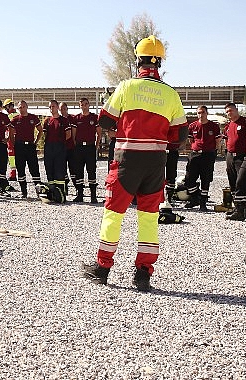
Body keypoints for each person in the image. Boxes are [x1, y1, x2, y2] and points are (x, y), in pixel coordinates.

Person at [82, 35, 186, 290]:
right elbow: (180, 135)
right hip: (155, 162)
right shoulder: (170, 94)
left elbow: (105, 120)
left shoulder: (127, 86)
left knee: (113, 213)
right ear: (159, 62)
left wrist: (126, 126)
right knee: (149, 218)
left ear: (138, 60)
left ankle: (103, 267)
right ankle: (143, 274)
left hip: (127, 159)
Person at [182, 105, 221, 211]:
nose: (201, 114)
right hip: (195, 155)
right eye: (199, 112)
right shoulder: (192, 126)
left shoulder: (214, 126)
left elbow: (217, 142)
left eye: (203, 112)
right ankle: (195, 198)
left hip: (208, 155)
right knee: (189, 179)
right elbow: (191, 141)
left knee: (206, 179)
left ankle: (203, 203)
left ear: (207, 113)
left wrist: (213, 153)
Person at [9, 100, 42, 198]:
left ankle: (39, 192)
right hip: (19, 146)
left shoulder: (33, 118)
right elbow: (11, 133)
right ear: (18, 109)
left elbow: (40, 130)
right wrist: (14, 144)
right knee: (20, 169)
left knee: (34, 169)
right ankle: (24, 192)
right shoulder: (15, 119)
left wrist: (35, 142)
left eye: (23, 107)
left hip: (30, 146)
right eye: (20, 107)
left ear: (27, 107)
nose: (22, 109)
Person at [222, 102, 246, 212]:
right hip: (230, 156)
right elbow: (226, 140)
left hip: (242, 156)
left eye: (231, 110)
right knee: (232, 182)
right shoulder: (228, 126)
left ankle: (245, 208)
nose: (229, 113)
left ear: (236, 110)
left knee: (243, 182)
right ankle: (237, 207)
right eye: (227, 112)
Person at [72, 97, 101, 203]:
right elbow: (73, 134)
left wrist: (96, 146)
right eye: (82, 104)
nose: (84, 106)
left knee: (91, 171)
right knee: (79, 171)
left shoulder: (94, 117)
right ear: (80, 106)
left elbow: (99, 133)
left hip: (90, 148)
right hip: (79, 148)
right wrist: (76, 145)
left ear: (89, 105)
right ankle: (80, 195)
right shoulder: (76, 118)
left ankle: (93, 196)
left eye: (86, 104)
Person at [43, 100, 71, 196]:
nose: (52, 108)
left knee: (59, 170)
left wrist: (60, 142)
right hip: (49, 147)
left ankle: (61, 193)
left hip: (60, 147)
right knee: (49, 169)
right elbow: (46, 134)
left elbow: (68, 134)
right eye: (50, 107)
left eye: (53, 106)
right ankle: (52, 192)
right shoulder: (47, 121)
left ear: (57, 107)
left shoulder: (64, 120)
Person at [59, 102, 77, 196]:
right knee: (63, 169)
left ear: (67, 109)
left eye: (64, 108)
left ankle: (77, 188)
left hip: (71, 148)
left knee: (73, 169)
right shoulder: (59, 120)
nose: (63, 111)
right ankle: (65, 187)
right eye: (61, 109)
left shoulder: (72, 118)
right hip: (62, 148)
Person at [3, 99, 18, 181]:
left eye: (6, 107)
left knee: (11, 156)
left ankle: (13, 174)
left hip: (11, 139)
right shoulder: (18, 115)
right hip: (18, 139)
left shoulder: (8, 117)